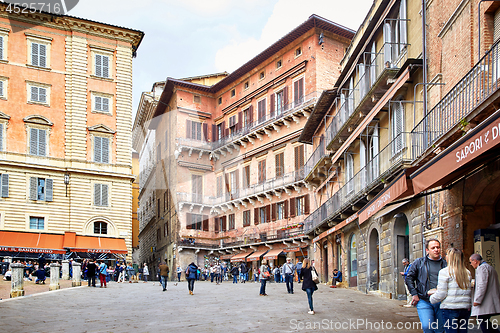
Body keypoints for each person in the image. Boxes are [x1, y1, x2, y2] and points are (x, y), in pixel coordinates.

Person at [406, 239, 447, 333]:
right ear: (427, 250)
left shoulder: (445, 264)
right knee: (427, 326)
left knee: (440, 330)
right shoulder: (419, 263)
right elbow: (409, 278)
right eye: (433, 248)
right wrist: (414, 294)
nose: (436, 249)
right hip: (424, 300)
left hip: (441, 301)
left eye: (438, 247)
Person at [430, 248, 472, 333]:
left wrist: (431, 298)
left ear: (451, 257)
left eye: (446, 255)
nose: (445, 257)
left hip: (450, 308)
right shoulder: (467, 272)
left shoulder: (445, 272)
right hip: (464, 308)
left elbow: (441, 293)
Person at [469, 253, 500, 333]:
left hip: (486, 301)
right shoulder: (489, 267)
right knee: (484, 320)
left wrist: (477, 300)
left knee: (482, 321)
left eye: (470, 262)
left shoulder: (481, 268)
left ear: (475, 261)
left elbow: (482, 285)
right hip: (489, 300)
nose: (471, 264)